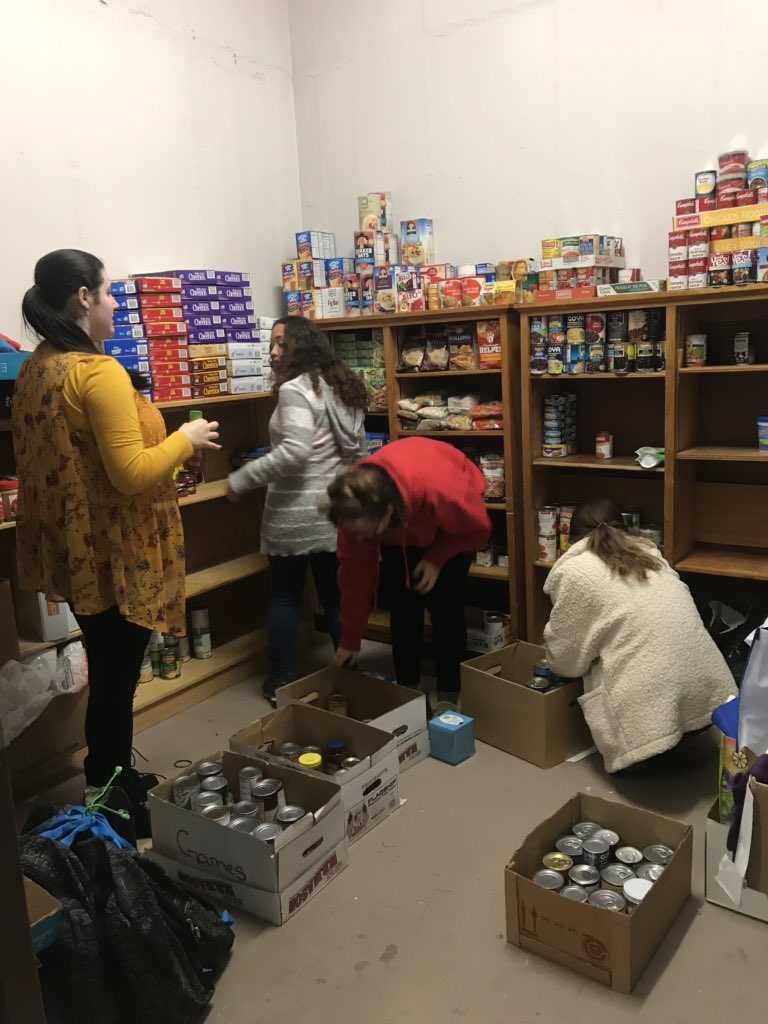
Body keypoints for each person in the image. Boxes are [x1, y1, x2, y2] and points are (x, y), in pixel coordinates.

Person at [12, 249, 220, 827]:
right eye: (108, 294)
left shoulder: (39, 368)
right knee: (114, 680)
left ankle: (116, 779)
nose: (114, 306)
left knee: (109, 671)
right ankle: (108, 796)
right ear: (84, 297)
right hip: (117, 556)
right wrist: (186, 438)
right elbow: (128, 473)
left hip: (77, 555)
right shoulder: (95, 371)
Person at [227, 316, 367, 704]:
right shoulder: (342, 386)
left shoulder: (295, 390)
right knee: (336, 597)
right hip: (334, 510)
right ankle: (352, 677)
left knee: (286, 596)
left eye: (281, 344)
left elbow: (294, 452)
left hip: (295, 512)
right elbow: (356, 450)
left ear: (301, 346)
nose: (273, 352)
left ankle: (281, 681)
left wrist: (242, 478)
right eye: (272, 344)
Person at [543, 497, 734, 773]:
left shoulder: (576, 572)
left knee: (594, 655)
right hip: (708, 713)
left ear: (573, 538)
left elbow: (565, 661)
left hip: (646, 741)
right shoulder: (652, 556)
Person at [326, 437, 491, 712]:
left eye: (364, 533)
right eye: (353, 533)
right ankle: (407, 689)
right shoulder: (353, 510)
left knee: (446, 608)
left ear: (387, 512)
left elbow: (478, 531)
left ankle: (449, 690)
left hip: (449, 526)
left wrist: (438, 558)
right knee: (403, 604)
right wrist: (350, 639)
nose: (358, 538)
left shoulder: (444, 491)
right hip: (403, 521)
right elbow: (355, 578)